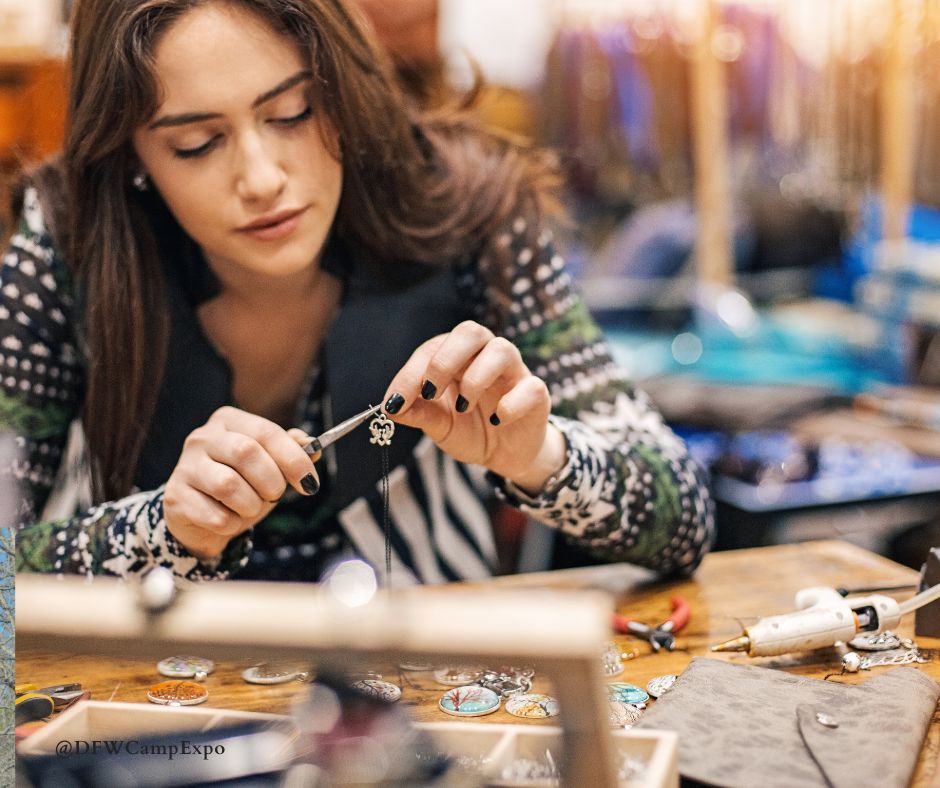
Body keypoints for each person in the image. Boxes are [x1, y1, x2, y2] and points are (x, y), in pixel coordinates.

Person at [2, 0, 712, 585]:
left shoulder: (471, 209)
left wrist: (540, 455)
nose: (261, 177)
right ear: (131, 153)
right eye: (196, 143)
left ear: (344, 90)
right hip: (156, 719)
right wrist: (160, 528)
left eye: (293, 113)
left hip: (426, 708)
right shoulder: (65, 245)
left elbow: (685, 517)